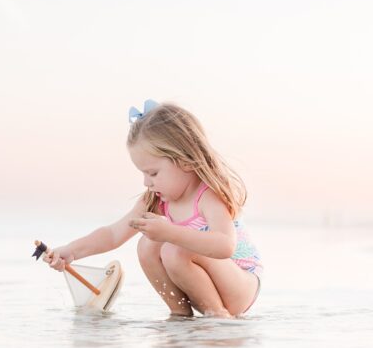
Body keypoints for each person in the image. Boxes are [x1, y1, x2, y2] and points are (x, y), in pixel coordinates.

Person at [47, 101, 263, 317]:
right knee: (147, 245)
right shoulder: (157, 200)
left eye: (153, 173)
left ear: (185, 162)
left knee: (172, 248)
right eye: (143, 173)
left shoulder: (207, 196)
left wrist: (171, 233)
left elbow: (225, 245)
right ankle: (179, 314)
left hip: (239, 284)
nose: (146, 182)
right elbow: (113, 234)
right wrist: (72, 250)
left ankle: (217, 315)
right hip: (206, 287)